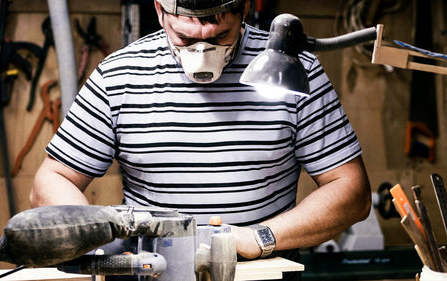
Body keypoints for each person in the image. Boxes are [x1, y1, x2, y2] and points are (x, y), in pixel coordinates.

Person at [30, 0, 371, 280]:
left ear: (245, 10)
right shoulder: (120, 75)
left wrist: (259, 238)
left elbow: (351, 191)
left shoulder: (291, 70)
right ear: (160, 11)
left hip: (260, 273)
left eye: (221, 35)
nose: (202, 51)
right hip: (153, 273)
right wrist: (97, 234)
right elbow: (52, 179)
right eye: (184, 38)